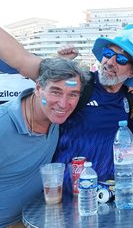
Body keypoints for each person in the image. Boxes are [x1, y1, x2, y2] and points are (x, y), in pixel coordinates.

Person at [0, 25, 133, 193]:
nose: (110, 62)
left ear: (131, 72)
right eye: (108, 54)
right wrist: (60, 61)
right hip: (67, 194)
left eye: (121, 60)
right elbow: (21, 59)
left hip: (106, 194)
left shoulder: (129, 97)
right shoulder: (79, 83)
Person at [0, 57, 87, 227]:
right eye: (55, 92)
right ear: (38, 88)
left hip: (38, 218)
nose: (63, 104)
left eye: (73, 94)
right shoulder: (3, 123)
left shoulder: (55, 120)